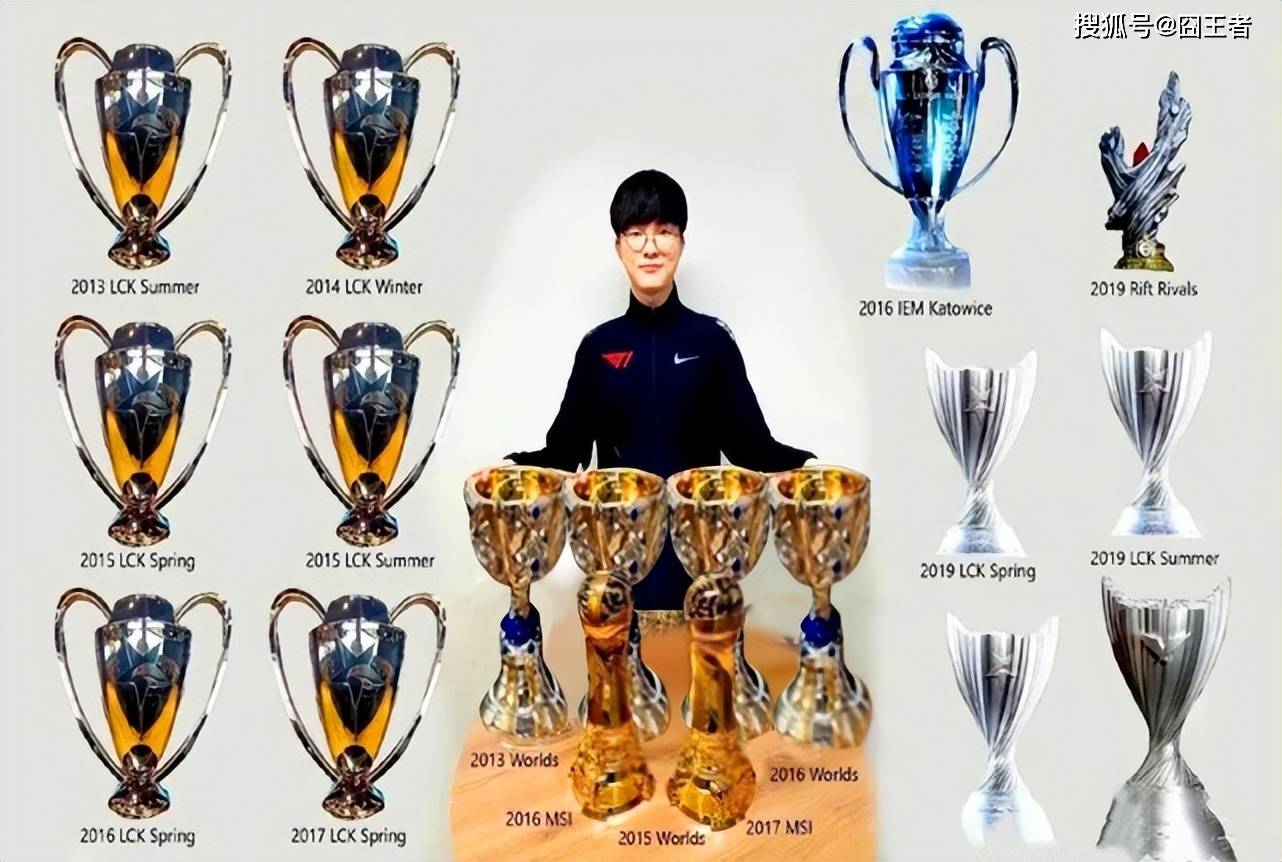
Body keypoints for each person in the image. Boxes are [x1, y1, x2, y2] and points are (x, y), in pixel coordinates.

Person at [508, 169, 813, 612]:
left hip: (701, 572)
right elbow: (564, 453)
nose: (650, 247)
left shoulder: (712, 342)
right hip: (617, 575)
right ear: (619, 247)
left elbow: (752, 447)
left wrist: (808, 467)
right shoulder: (598, 348)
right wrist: (511, 468)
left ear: (681, 243)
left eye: (664, 231)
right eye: (636, 234)